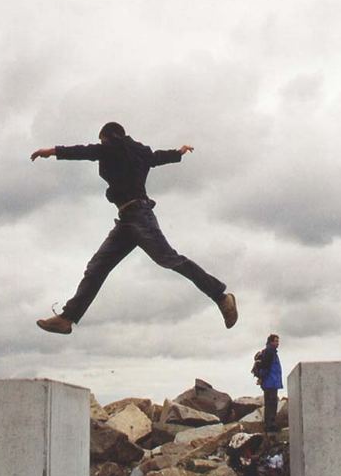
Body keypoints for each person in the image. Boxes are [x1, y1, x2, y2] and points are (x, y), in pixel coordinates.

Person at [30, 122, 237, 334]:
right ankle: (67, 318)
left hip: (139, 217)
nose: (101, 144)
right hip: (127, 220)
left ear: (109, 136)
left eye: (102, 140)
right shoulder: (139, 151)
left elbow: (85, 151)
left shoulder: (111, 147)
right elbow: (157, 157)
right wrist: (179, 153)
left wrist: (53, 152)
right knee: (97, 266)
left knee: (168, 259)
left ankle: (221, 297)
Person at [254, 334, 282, 432]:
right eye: (276, 341)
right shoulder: (270, 352)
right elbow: (266, 366)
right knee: (272, 404)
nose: (278, 343)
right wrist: (262, 377)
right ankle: (271, 425)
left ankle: (269, 424)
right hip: (271, 382)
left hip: (270, 382)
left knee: (270, 403)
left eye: (278, 341)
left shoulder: (270, 352)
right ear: (271, 342)